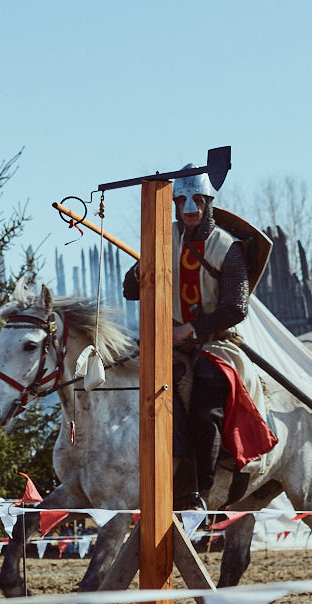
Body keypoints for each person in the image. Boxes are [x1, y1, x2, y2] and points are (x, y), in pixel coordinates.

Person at [122, 166, 274, 510]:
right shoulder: (162, 238)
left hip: (214, 342)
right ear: (174, 204)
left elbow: (235, 308)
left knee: (205, 407)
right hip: (168, 344)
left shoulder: (226, 247)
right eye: (182, 201)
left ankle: (199, 494)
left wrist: (187, 331)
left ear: (207, 202)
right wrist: (142, 265)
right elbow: (131, 290)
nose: (190, 209)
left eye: (197, 201)